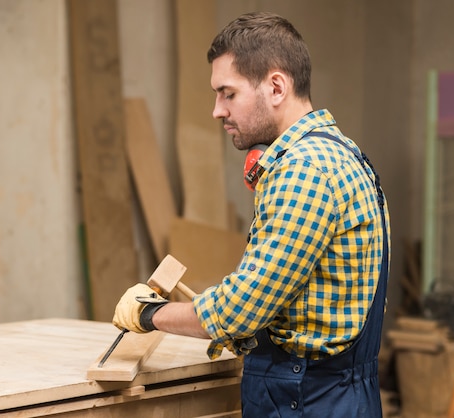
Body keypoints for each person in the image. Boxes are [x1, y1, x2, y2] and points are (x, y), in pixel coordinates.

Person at [112, 11, 390, 418]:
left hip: (308, 399)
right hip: (336, 394)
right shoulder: (340, 151)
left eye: (228, 93)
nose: (217, 111)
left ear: (276, 87)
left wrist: (150, 313)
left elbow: (241, 310)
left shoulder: (303, 170)